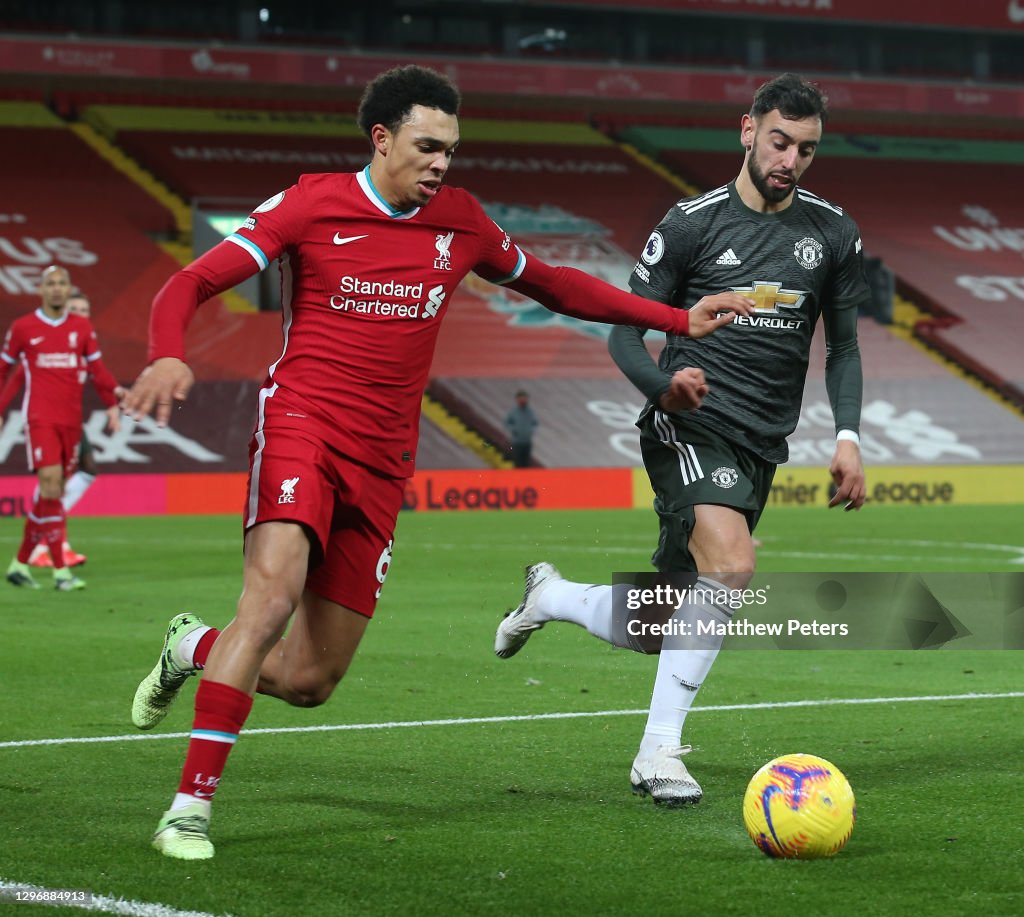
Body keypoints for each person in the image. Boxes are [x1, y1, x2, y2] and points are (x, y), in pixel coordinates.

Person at [123, 64, 754, 861]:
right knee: (272, 596)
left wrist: (675, 317)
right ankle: (189, 807)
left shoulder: (460, 221)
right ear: (381, 139)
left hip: (384, 463)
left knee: (310, 680)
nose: (441, 164)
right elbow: (193, 279)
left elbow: (556, 284)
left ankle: (190, 647)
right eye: (427, 147)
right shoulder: (311, 203)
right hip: (302, 428)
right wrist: (166, 354)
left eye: (450, 150)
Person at [495, 73, 869, 806]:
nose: (790, 158)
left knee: (660, 618)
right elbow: (625, 328)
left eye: (806, 148)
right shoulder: (693, 223)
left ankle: (552, 595)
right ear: (747, 131)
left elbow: (847, 346)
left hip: (763, 442)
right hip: (686, 424)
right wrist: (662, 388)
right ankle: (658, 751)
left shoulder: (832, 234)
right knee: (732, 564)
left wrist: (849, 435)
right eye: (779, 141)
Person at [0, 268, 122, 590]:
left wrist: (113, 399)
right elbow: (5, 370)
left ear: (68, 290)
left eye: (61, 284)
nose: (56, 289)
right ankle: (61, 572)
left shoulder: (81, 328)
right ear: (41, 289)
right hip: (40, 419)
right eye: (50, 284)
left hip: (71, 421)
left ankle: (19, 565)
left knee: (51, 494)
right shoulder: (23, 328)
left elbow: (98, 369)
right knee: (51, 485)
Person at [22, 292, 115, 568]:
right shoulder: (52, 341)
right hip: (48, 419)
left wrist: (111, 404)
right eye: (75, 308)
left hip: (70, 419)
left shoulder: (82, 342)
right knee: (66, 478)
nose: (80, 314)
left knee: (71, 477)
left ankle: (50, 544)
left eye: (85, 309)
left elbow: (99, 375)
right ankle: (46, 545)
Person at [504, 389, 538, 467]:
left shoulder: (531, 412)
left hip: (527, 442)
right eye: (521, 399)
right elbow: (507, 423)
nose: (523, 401)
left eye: (525, 399)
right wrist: (513, 429)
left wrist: (531, 431)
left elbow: (535, 424)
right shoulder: (513, 412)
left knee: (526, 464)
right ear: (517, 400)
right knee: (517, 463)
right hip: (517, 443)